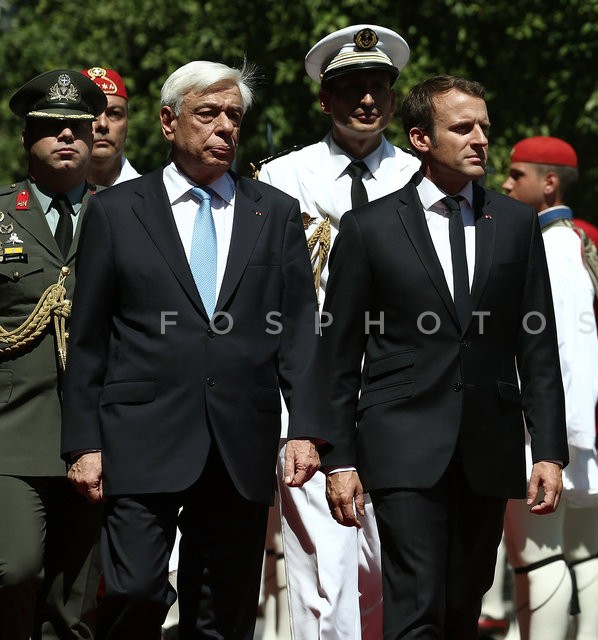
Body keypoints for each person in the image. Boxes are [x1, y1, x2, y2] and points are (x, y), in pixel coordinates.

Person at [60, 60, 325, 639]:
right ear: (168, 122)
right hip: (140, 433)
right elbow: (89, 338)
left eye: (234, 116)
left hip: (240, 438)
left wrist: (305, 426)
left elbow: (298, 329)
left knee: (224, 609)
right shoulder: (117, 210)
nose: (225, 127)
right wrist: (83, 443)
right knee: (134, 590)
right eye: (208, 114)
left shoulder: (274, 212)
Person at [319, 75, 568, 640]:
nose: (480, 138)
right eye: (462, 127)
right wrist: (339, 458)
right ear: (420, 139)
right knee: (415, 601)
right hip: (400, 442)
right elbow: (337, 355)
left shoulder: (517, 224)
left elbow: (538, 345)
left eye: (484, 126)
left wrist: (549, 450)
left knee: (462, 602)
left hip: (489, 444)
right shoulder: (369, 227)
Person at [257, 23, 420, 639]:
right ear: (325, 99)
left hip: (400, 389)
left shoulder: (419, 176)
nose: (368, 100)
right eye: (352, 87)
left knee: (387, 565)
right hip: (311, 389)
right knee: (322, 569)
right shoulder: (281, 179)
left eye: (379, 86)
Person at [0, 68, 105, 640]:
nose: (66, 137)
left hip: (97, 433)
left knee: (76, 602)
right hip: (11, 432)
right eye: (51, 127)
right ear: (26, 139)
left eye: (77, 128)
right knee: (15, 569)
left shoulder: (125, 216)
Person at [500, 136, 598, 639]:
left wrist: (547, 437)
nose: (504, 183)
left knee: (537, 556)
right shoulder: (561, 242)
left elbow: (559, 350)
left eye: (516, 174)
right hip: (541, 423)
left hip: (537, 428)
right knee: (533, 555)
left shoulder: (555, 247)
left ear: (548, 183)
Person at [81, 66, 139, 186]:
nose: (102, 124)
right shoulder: (46, 197)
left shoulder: (152, 198)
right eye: (92, 113)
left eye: (114, 113)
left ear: (127, 124)